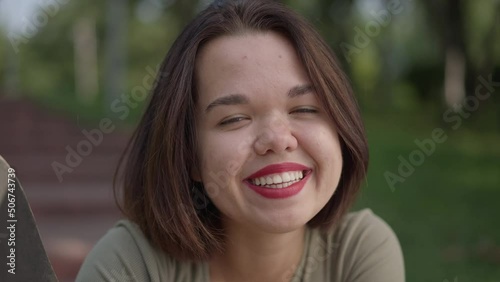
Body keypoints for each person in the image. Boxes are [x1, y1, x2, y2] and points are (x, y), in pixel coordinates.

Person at [76, 0, 405, 281]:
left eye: (304, 108)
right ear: (189, 155)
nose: (277, 139)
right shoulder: (131, 264)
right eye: (234, 118)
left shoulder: (359, 251)